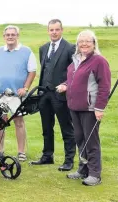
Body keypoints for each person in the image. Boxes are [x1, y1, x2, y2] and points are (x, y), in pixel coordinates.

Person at [57, 30, 111, 186]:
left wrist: (99, 108)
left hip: (90, 108)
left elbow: (104, 86)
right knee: (80, 139)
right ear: (77, 44)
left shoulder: (99, 61)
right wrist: (65, 85)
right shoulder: (75, 60)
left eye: (88, 41)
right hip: (74, 106)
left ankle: (95, 174)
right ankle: (83, 170)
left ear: (94, 43)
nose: (84, 44)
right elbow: (72, 80)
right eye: (81, 41)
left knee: (91, 141)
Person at [30, 19, 76, 171]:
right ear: (48, 31)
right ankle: (47, 156)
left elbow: (74, 72)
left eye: (57, 30)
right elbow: (45, 70)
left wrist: (66, 85)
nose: (54, 32)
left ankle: (69, 160)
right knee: (46, 127)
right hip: (44, 93)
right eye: (51, 30)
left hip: (61, 94)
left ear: (61, 30)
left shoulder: (70, 48)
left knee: (66, 128)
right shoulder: (43, 48)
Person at [0, 25, 36, 162]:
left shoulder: (26, 51)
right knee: (0, 122)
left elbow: (32, 72)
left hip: (16, 94)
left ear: (17, 36)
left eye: (13, 34)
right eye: (7, 35)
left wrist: (25, 88)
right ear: (4, 37)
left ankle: (21, 152)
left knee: (18, 122)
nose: (10, 37)